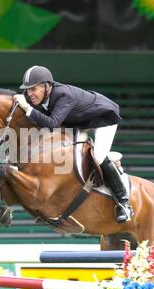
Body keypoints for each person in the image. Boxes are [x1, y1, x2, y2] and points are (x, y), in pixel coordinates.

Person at [13, 65, 132, 223]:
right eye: (27, 90)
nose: (29, 94)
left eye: (33, 89)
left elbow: (53, 123)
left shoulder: (63, 95)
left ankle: (124, 203)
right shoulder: (36, 96)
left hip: (103, 118)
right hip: (78, 122)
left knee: (99, 156)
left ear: (46, 86)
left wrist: (27, 108)